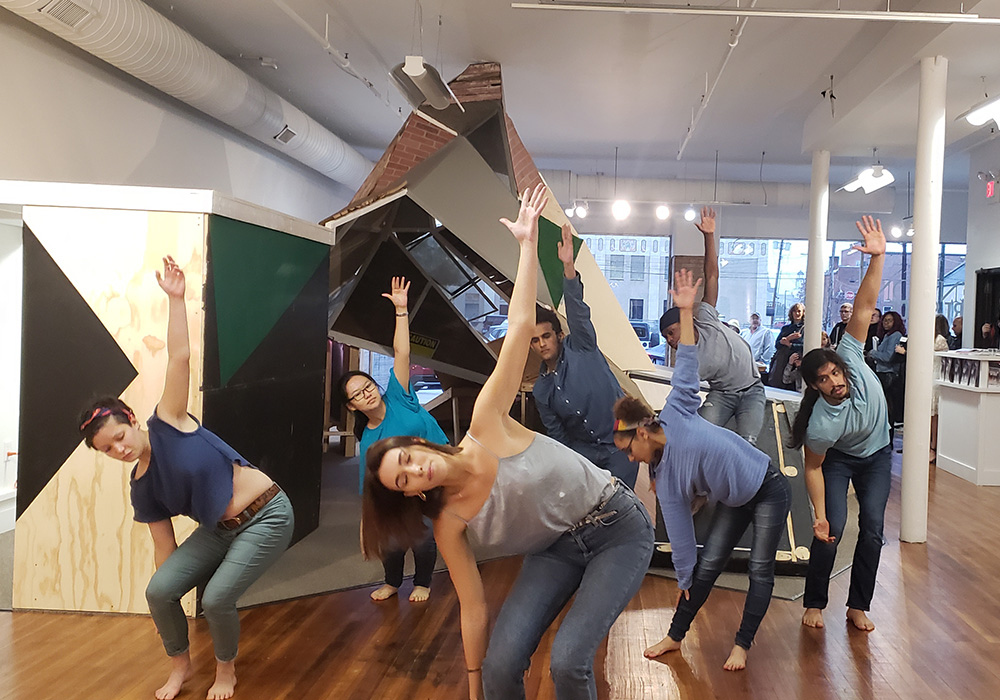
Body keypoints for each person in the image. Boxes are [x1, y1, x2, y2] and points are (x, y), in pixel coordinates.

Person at [360, 185, 654, 700]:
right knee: (500, 669)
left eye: (407, 459)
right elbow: (473, 608)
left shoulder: (485, 423)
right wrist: (474, 685)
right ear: (407, 494)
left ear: (420, 445)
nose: (414, 472)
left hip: (616, 525)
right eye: (402, 481)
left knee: (568, 661)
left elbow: (519, 327)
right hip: (555, 547)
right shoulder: (449, 523)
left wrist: (525, 246)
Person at [79, 256, 294, 700]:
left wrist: (176, 299)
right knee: (158, 590)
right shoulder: (141, 487)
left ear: (132, 420)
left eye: (119, 437)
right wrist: (174, 584)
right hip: (218, 531)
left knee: (216, 599)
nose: (119, 449)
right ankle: (179, 668)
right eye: (108, 450)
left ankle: (226, 672)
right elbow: (164, 548)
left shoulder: (169, 419)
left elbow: (179, 355)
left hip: (267, 513)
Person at [613, 269, 791, 672]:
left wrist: (687, 310)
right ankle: (675, 637)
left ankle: (743, 644)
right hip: (733, 498)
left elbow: (689, 357)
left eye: (627, 448)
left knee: (760, 569)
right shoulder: (665, 481)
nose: (628, 458)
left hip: (766, 486)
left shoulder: (676, 410)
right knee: (705, 567)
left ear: (642, 432)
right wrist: (683, 581)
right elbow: (679, 535)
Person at [788, 215, 891, 633]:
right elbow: (813, 466)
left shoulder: (851, 354)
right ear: (814, 386)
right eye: (824, 380)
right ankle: (815, 601)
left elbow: (864, 305)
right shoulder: (821, 424)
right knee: (832, 529)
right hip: (840, 461)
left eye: (835, 373)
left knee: (873, 529)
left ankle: (858, 606)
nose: (835, 382)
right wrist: (818, 513)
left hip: (879, 455)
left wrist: (877, 258)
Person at [339, 277, 446, 603]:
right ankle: (392, 582)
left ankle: (423, 583)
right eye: (357, 394)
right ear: (352, 406)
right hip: (402, 483)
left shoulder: (399, 395)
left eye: (367, 385)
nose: (366, 393)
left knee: (426, 537)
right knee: (393, 539)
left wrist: (401, 310)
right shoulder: (370, 438)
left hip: (435, 468)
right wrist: (365, 525)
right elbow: (368, 484)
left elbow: (402, 351)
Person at [531, 223, 637, 488]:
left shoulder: (581, 346)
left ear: (559, 335)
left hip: (620, 445)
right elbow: (558, 436)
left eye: (546, 336)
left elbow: (577, 310)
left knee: (623, 510)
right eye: (535, 341)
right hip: (584, 455)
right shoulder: (542, 390)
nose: (542, 344)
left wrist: (568, 267)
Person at [659, 208, 766, 445]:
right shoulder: (688, 362)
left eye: (670, 332)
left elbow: (712, 276)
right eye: (666, 338)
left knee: (747, 443)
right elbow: (679, 395)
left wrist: (708, 236)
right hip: (723, 395)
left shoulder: (706, 318)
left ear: (686, 322)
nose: (669, 340)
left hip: (752, 389)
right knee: (702, 437)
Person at [869, 310, 906, 429]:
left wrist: (873, 353)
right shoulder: (886, 335)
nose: (886, 323)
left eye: (889, 320)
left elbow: (888, 356)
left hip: (888, 375)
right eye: (884, 320)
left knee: (887, 408)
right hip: (882, 372)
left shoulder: (895, 335)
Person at [930, 314, 951, 463]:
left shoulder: (940, 340)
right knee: (929, 414)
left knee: (934, 414)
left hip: (935, 377)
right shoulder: (931, 339)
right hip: (928, 377)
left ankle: (934, 446)